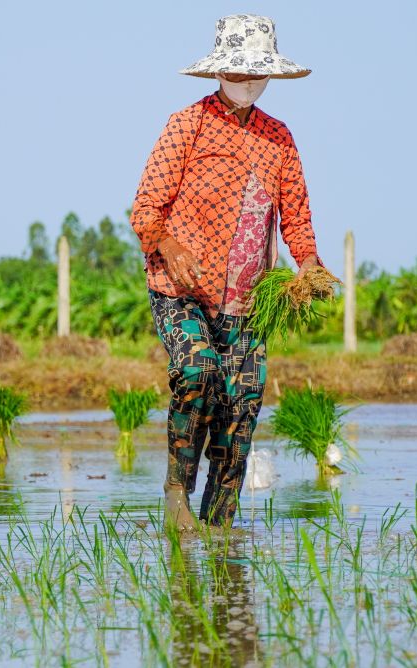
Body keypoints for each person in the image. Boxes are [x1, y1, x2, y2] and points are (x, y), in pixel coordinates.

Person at [130, 14, 323, 530]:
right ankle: (176, 490)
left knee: (242, 406)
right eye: (239, 70)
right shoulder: (187, 124)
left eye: (258, 73)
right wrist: (168, 244)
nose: (248, 81)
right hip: (181, 290)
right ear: (218, 71)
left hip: (247, 302)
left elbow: (296, 218)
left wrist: (308, 267)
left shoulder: (279, 138)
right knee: (198, 371)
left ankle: (220, 531)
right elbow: (145, 209)